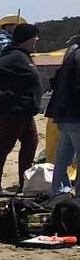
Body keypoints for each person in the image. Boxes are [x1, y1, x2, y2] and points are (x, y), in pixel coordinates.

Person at [0, 22, 43, 197]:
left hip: (25, 111)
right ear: (26, 39)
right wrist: (4, 92)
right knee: (4, 147)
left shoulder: (24, 56)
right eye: (34, 36)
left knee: (30, 144)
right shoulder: (15, 56)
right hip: (14, 111)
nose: (37, 39)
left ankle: (24, 184)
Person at [47, 33, 80, 196]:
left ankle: (59, 192)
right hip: (75, 113)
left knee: (63, 157)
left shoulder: (71, 53)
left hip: (62, 112)